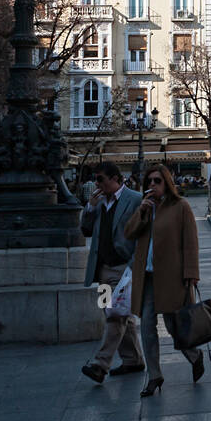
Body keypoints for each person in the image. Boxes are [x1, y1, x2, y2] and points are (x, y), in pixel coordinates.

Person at [124, 163, 203, 395]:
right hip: (147, 277)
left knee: (173, 326)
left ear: (166, 183)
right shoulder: (145, 208)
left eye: (157, 181)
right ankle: (155, 375)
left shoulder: (180, 207)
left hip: (171, 277)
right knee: (147, 326)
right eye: (149, 181)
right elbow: (129, 233)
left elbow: (191, 243)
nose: (152, 185)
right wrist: (142, 212)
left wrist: (191, 274)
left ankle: (195, 355)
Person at [79, 162, 145, 384]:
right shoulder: (99, 202)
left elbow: (144, 235)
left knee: (116, 315)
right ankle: (133, 359)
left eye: (100, 179)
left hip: (122, 269)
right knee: (113, 313)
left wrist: (134, 265)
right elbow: (86, 230)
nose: (96, 184)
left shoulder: (134, 199)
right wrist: (89, 207)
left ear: (115, 179)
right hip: (103, 270)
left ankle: (100, 364)